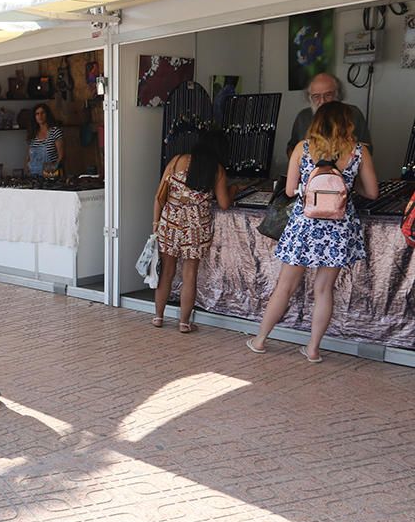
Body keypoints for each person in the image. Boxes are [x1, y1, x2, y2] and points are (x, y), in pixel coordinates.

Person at [249, 101, 379, 362]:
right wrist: (349, 190)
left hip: (305, 225)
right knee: (324, 290)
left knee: (284, 287)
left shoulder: (303, 148)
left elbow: (289, 191)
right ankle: (313, 349)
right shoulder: (358, 151)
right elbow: (373, 192)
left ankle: (260, 339)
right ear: (347, 123)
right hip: (339, 227)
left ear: (317, 121)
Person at [152, 130, 237, 332]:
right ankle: (184, 323)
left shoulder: (177, 161)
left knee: (166, 272)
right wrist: (234, 190)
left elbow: (159, 196)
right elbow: (224, 203)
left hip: (170, 222)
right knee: (190, 274)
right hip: (196, 227)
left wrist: (155, 224)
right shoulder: (216, 170)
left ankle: (158, 317)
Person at [286, 73, 371, 157]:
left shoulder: (353, 114)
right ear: (309, 98)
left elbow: (367, 148)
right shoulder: (303, 117)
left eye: (328, 95)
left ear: (338, 95)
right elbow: (291, 147)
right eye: (316, 96)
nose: (322, 101)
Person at [26, 103, 64, 180]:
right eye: (37, 114)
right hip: (33, 175)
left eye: (42, 113)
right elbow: (29, 157)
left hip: (51, 175)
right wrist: (27, 170)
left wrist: (51, 173)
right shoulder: (33, 134)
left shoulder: (55, 131)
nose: (40, 116)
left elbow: (61, 156)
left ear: (47, 115)